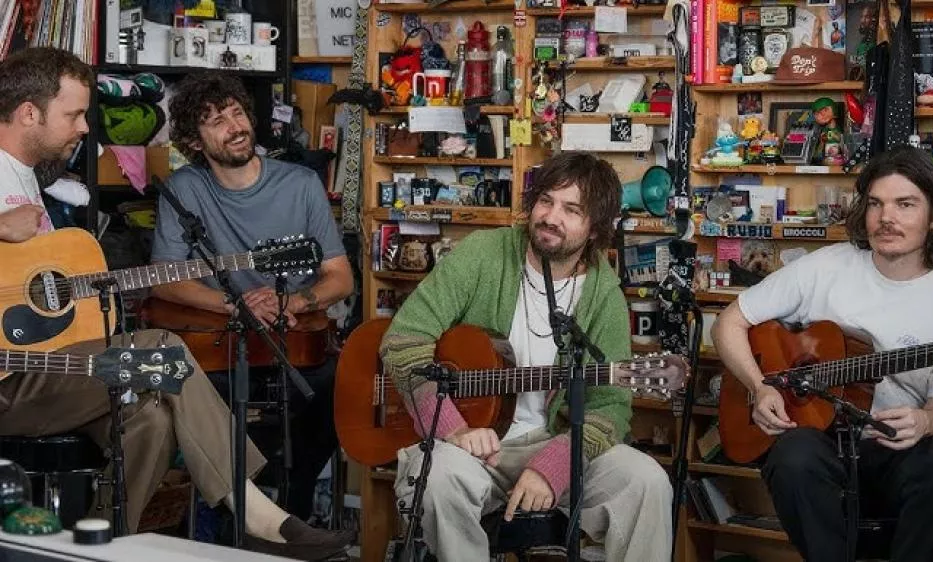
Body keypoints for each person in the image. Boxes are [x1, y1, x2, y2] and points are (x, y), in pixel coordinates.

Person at [0, 47, 352, 560]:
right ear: (30, 113)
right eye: (74, 114)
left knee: (153, 418)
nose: (83, 128)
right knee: (162, 351)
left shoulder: (26, 175)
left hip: (42, 367)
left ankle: (95, 543)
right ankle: (259, 517)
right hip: (11, 379)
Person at [380, 152, 683, 561]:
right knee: (437, 476)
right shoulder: (484, 254)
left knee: (647, 481)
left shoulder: (602, 292)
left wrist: (556, 462)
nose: (551, 217)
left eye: (571, 209)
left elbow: (611, 405)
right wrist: (453, 428)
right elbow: (402, 342)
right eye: (546, 201)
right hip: (469, 444)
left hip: (554, 440)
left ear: (595, 229)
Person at [712, 145, 933, 562]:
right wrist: (759, 387)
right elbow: (728, 322)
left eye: (905, 204)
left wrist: (926, 421)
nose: (886, 218)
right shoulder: (825, 267)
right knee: (793, 454)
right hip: (823, 445)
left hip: (897, 451)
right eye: (875, 204)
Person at [149, 71, 354, 522]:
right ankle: (233, 520)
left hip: (294, 339)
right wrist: (234, 306)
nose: (235, 126)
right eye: (216, 120)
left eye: (237, 112)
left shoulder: (300, 183)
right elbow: (164, 280)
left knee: (337, 391)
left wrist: (294, 302)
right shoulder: (184, 191)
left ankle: (292, 514)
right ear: (194, 141)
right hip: (223, 343)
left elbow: (340, 277)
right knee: (197, 396)